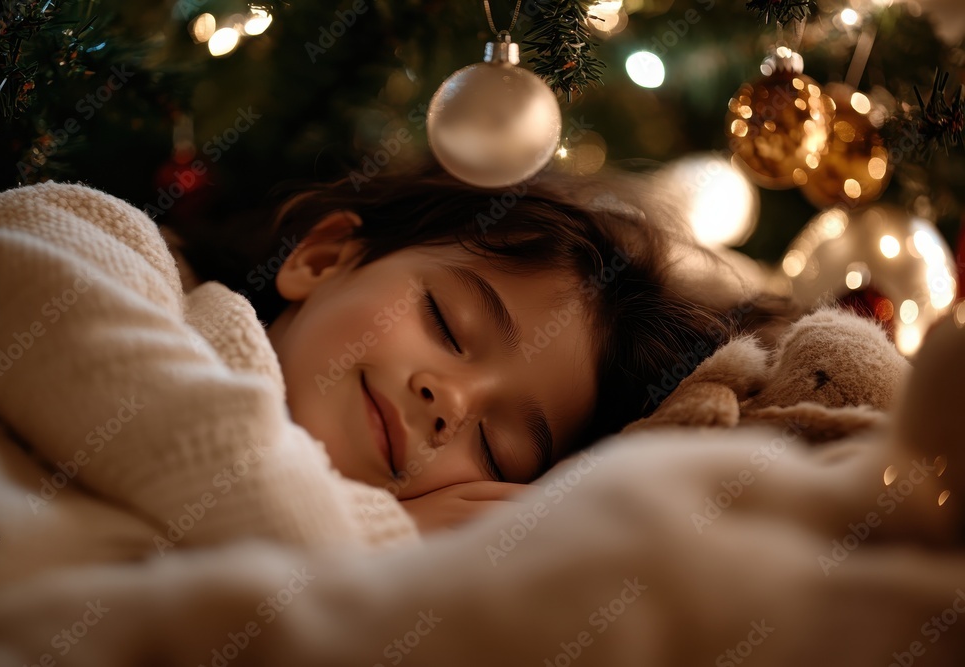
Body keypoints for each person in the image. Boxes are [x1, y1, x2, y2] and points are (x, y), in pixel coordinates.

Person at [170, 161, 786, 531]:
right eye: (446, 324)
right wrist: (367, 531)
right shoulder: (127, 262)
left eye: (498, 451)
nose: (452, 402)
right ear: (323, 257)